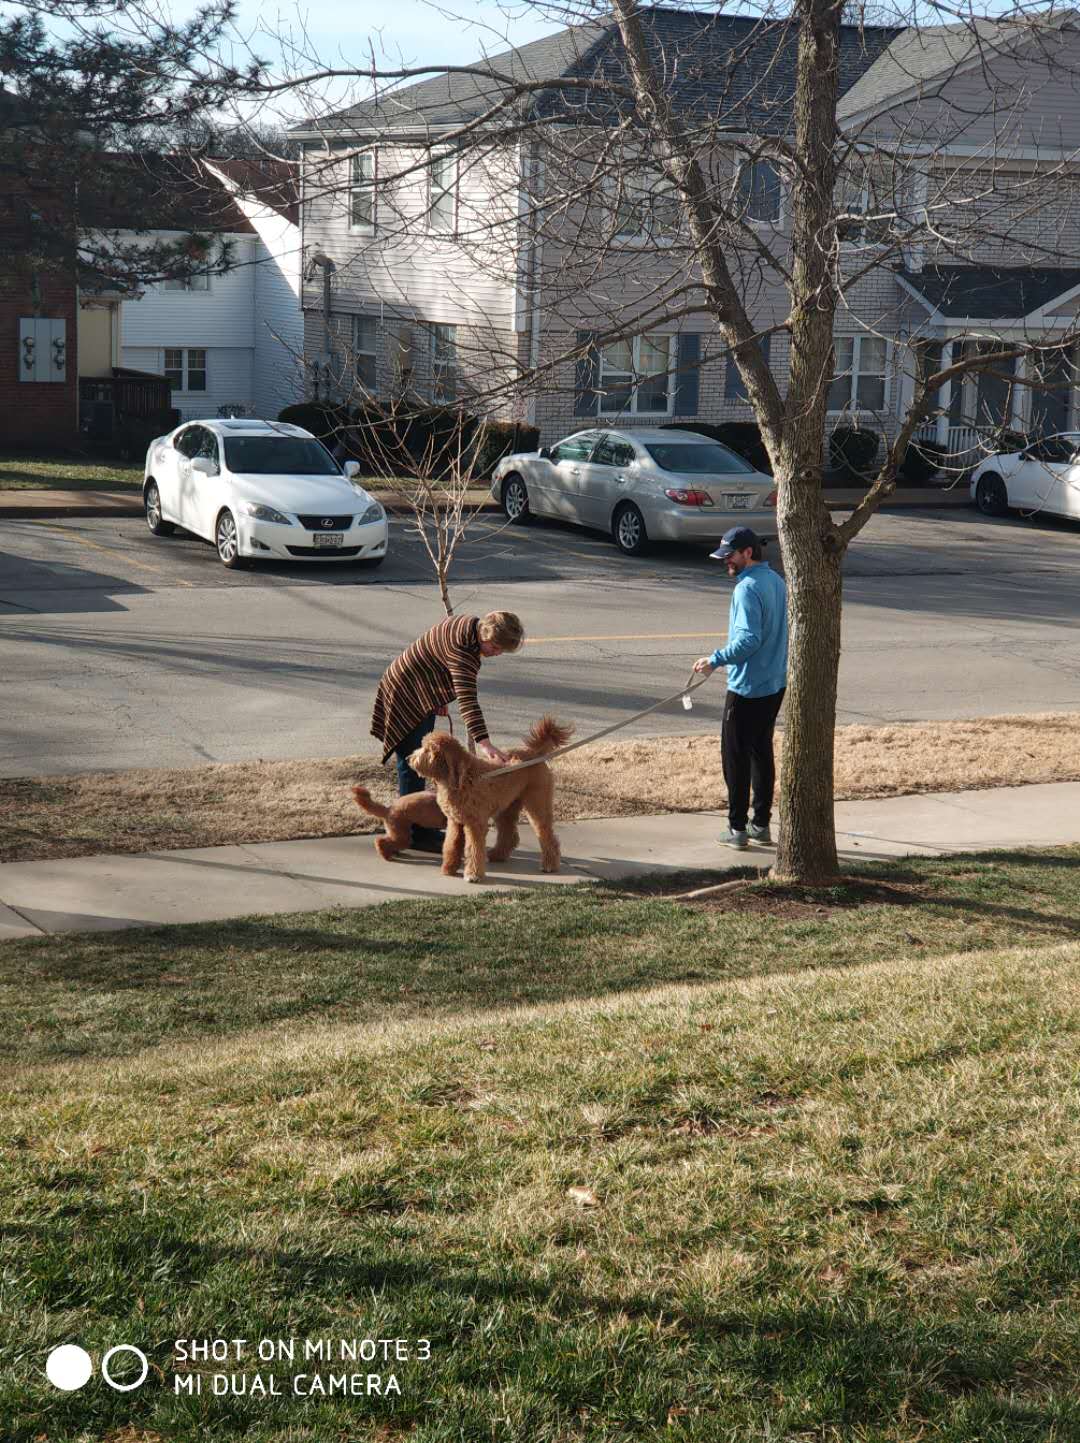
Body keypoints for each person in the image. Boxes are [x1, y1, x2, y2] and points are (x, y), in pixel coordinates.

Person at [370, 611, 524, 852]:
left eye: (501, 650)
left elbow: (437, 655)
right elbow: (468, 701)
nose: (497, 653)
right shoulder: (464, 652)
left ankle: (417, 828)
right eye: (495, 647)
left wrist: (438, 693)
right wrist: (485, 743)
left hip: (421, 688)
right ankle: (414, 832)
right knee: (414, 764)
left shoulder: (469, 623)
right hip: (405, 693)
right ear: (484, 634)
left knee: (422, 765)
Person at [693, 526, 788, 850]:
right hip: (774, 685)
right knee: (761, 752)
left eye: (730, 555)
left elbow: (749, 639)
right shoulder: (776, 581)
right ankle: (760, 823)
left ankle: (737, 830)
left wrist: (715, 660)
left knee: (734, 758)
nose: (725, 562)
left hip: (746, 688)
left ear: (748, 552)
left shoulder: (747, 588)